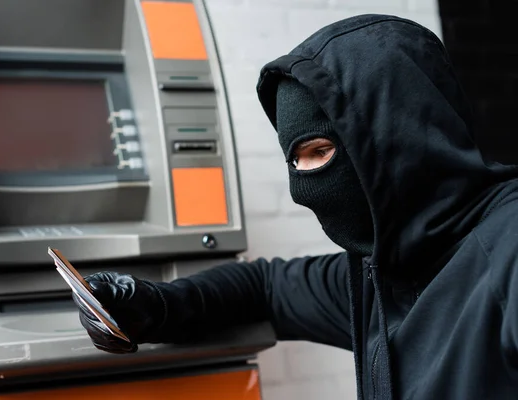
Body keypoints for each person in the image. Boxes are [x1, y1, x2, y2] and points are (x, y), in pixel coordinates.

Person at [73, 14, 518, 400]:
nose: (303, 184)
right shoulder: (387, 272)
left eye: (319, 150)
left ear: (398, 133)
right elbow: (266, 288)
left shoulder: (508, 248)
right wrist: (153, 305)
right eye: (295, 159)